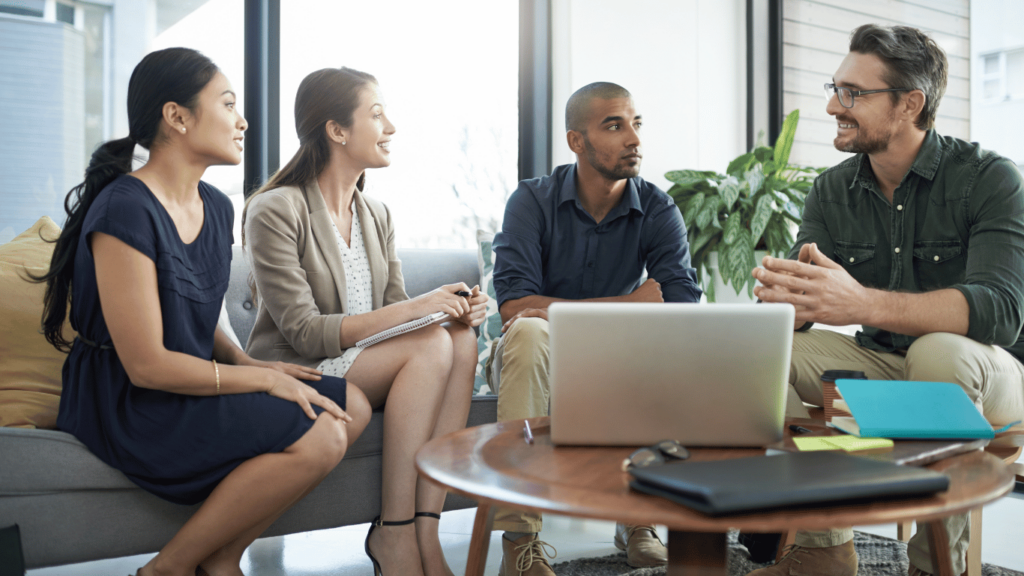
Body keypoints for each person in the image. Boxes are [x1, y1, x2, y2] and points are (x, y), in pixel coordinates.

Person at [35, 48, 371, 576]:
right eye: (228, 103)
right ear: (177, 116)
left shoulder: (216, 207)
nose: (243, 122)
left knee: (351, 403)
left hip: (191, 379)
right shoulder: (126, 207)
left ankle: (221, 559)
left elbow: (202, 318)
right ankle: (167, 568)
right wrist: (261, 384)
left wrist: (253, 365)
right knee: (323, 431)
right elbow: (146, 365)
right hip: (130, 400)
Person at [752, 24, 1024, 576]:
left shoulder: (990, 179)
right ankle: (822, 547)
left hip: (986, 376)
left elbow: (1000, 310)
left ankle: (933, 567)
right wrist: (787, 303)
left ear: (910, 104)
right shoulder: (832, 190)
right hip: (880, 366)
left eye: (853, 93)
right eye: (835, 88)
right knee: (755, 357)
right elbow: (800, 310)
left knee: (937, 354)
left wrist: (858, 304)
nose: (833, 105)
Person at [242, 67, 486, 576]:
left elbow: (396, 311)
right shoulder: (275, 209)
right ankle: (392, 533)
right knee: (431, 345)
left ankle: (424, 529)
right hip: (301, 368)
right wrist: (421, 309)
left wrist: (452, 309)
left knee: (459, 338)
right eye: (376, 114)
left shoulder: (376, 213)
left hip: (366, 367)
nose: (391, 126)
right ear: (336, 130)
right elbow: (304, 333)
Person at [487, 82, 702, 576]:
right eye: (614, 125)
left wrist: (619, 314)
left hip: (617, 366)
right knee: (529, 332)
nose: (634, 139)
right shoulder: (531, 202)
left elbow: (681, 308)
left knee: (663, 346)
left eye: (636, 124)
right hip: (535, 364)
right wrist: (630, 304)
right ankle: (520, 541)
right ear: (576, 142)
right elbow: (516, 307)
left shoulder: (658, 208)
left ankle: (638, 521)